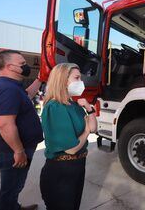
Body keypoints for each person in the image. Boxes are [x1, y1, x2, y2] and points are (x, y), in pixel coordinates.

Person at [0, 50, 43, 210]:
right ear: (10, 66)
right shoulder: (7, 90)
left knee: (13, 187)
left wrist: (39, 79)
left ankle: (14, 206)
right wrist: (18, 151)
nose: (26, 67)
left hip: (10, 150)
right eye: (22, 64)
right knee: (10, 190)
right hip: (10, 152)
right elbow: (5, 124)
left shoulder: (10, 86)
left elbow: (27, 95)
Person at [40, 63, 97, 210]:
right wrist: (85, 131)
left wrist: (89, 109)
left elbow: (94, 128)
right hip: (61, 171)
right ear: (63, 80)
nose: (81, 82)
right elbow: (71, 149)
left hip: (77, 167)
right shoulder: (55, 107)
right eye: (77, 78)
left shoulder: (74, 105)